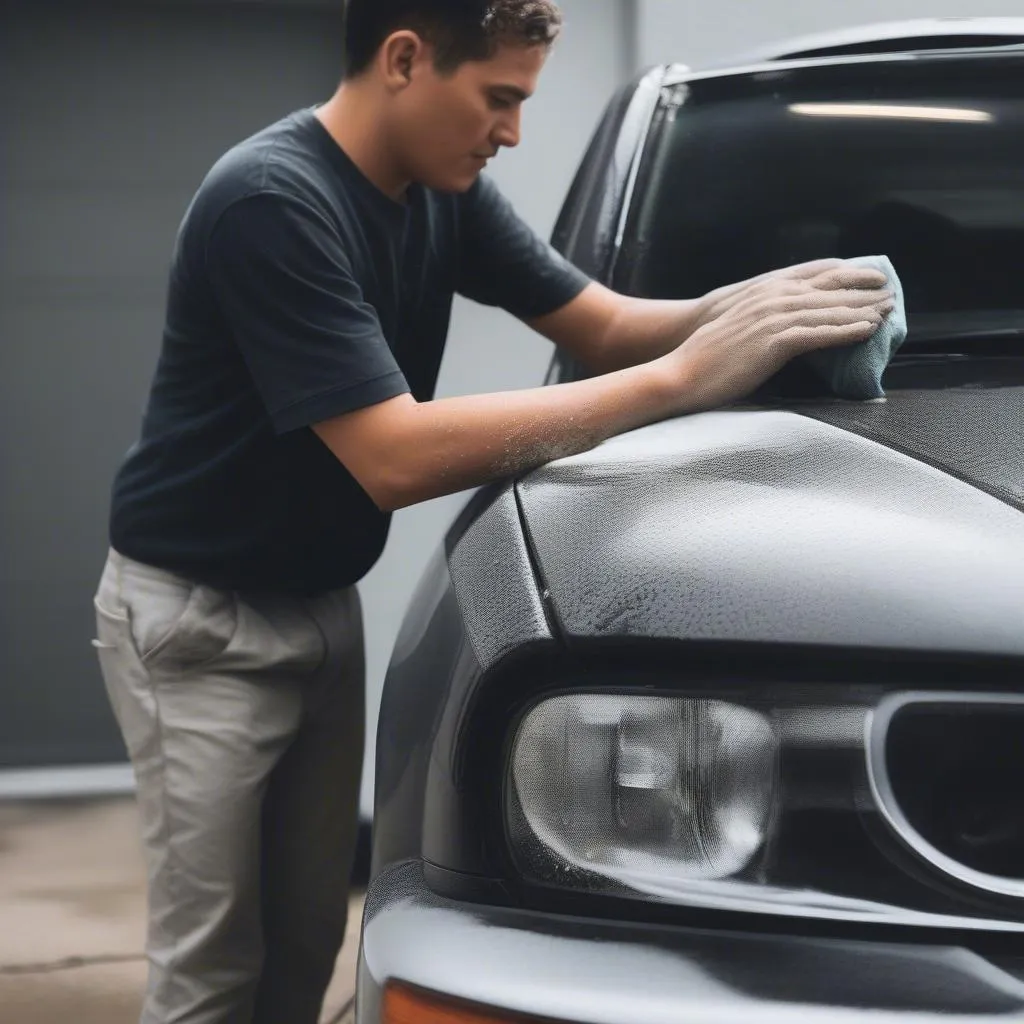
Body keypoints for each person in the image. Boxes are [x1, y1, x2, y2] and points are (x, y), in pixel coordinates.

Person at [92, 1, 893, 1021]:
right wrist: (686, 378)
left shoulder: (440, 188)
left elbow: (602, 325)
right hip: (199, 624)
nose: (510, 131)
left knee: (302, 950)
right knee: (212, 970)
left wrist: (756, 310)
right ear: (404, 58)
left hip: (317, 602)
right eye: (498, 98)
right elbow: (390, 454)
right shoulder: (271, 200)